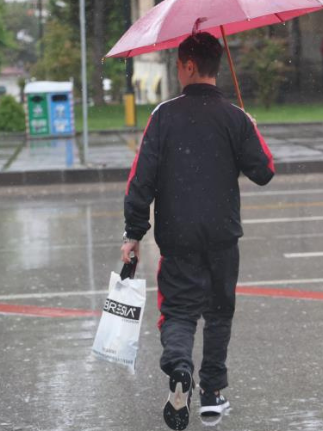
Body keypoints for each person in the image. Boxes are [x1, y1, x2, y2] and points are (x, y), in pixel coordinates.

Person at [120, 32, 275, 431]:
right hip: (223, 233)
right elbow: (264, 171)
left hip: (178, 233)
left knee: (180, 310)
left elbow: (141, 179)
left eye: (177, 64)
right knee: (220, 312)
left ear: (189, 66)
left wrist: (134, 233)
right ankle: (211, 393)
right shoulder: (234, 117)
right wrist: (250, 127)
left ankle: (180, 368)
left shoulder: (163, 116)